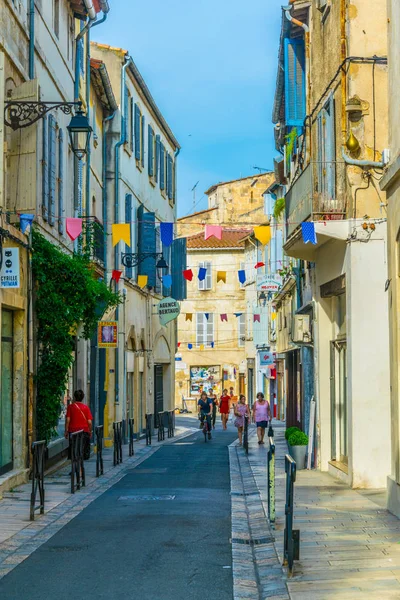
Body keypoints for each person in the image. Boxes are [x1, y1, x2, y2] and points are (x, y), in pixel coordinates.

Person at [65, 390, 93, 459]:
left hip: (73, 431)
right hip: (84, 431)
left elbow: (68, 420)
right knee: (82, 451)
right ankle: (80, 467)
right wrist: (90, 431)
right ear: (83, 397)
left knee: (73, 449)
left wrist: (66, 431)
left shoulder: (70, 407)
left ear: (74, 397)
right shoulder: (86, 407)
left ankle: (74, 466)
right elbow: (89, 422)